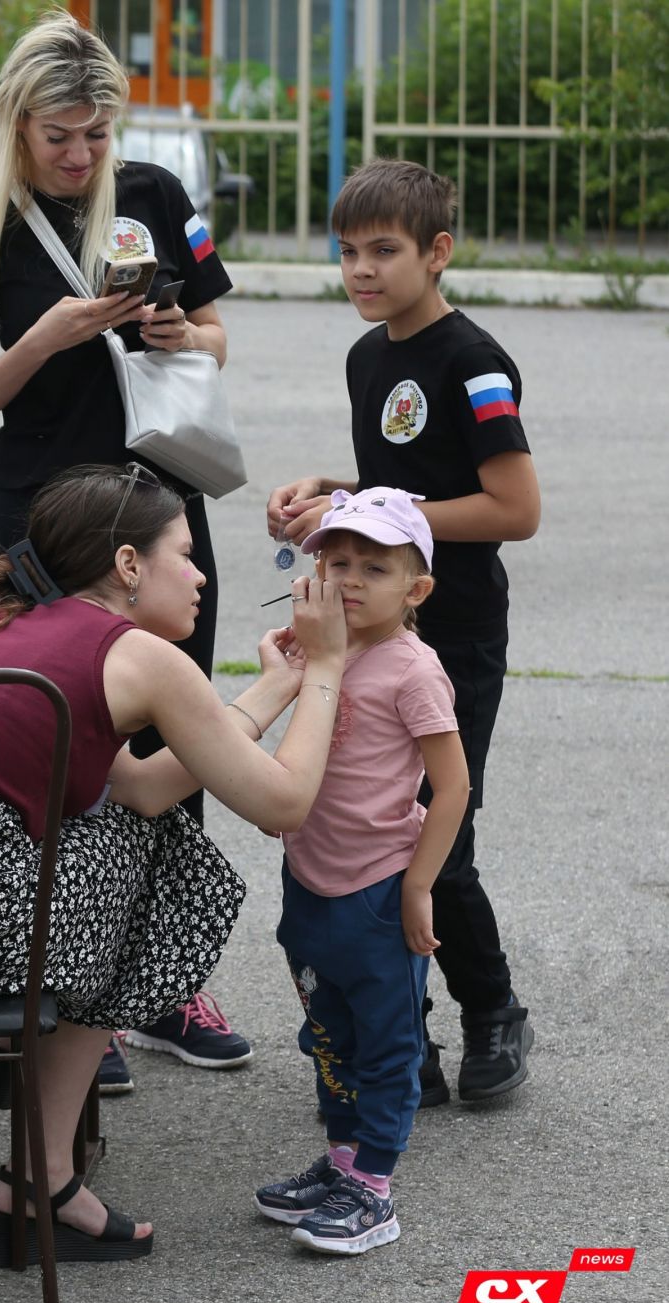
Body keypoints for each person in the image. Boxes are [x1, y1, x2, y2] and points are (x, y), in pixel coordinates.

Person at [0, 462, 346, 1262]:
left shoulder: (6, 622)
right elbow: (284, 803)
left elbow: (146, 786)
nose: (200, 575)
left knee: (129, 831)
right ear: (126, 566)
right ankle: (38, 1176)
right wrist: (324, 667)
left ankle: (38, 1163)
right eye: (183, 555)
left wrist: (271, 688)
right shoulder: (137, 657)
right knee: (159, 858)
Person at [0, 7, 248, 1078]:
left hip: (156, 500)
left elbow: (216, 336)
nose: (80, 154)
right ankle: (55, 991)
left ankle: (163, 985)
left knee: (172, 730)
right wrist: (49, 336)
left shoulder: (153, 194)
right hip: (43, 508)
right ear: (17, 123)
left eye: (96, 133)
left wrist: (176, 331)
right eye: (60, 134)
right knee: (40, 741)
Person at [266, 159, 541, 1107]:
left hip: (451, 636)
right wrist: (333, 497)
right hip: (363, 633)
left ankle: (493, 1008)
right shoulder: (368, 356)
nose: (361, 271)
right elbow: (402, 481)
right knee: (367, 831)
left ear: (438, 253)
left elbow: (514, 505)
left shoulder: (475, 362)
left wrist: (382, 512)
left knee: (435, 837)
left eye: (383, 251)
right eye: (346, 252)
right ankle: (401, 1037)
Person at [254, 488, 469, 1254]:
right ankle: (343, 1160)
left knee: (386, 1045)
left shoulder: (415, 670)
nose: (347, 577)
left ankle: (374, 1187)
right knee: (327, 1032)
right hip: (308, 879)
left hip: (377, 889)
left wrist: (418, 885)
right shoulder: (317, 650)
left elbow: (454, 786)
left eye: (372, 567)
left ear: (416, 589)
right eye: (336, 560)